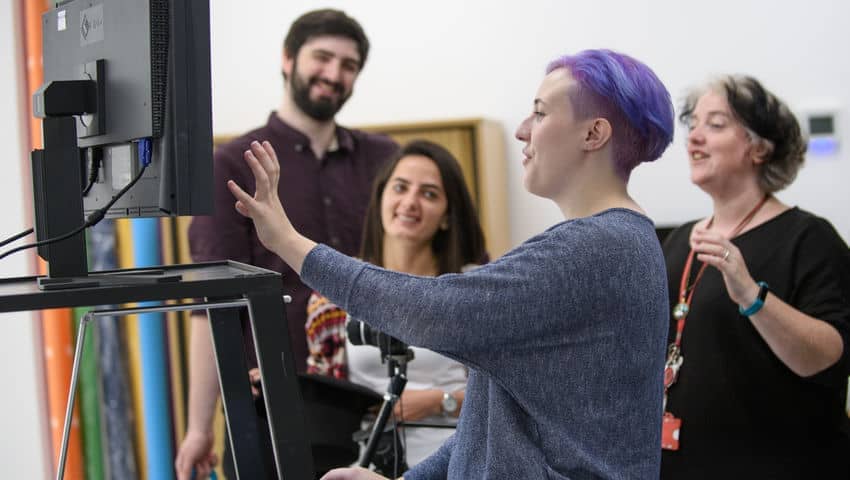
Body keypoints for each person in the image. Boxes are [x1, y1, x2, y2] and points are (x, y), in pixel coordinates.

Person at [228, 49, 675, 479]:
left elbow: (433, 311)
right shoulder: (610, 245)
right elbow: (493, 425)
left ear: (593, 134)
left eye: (540, 113)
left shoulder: (599, 248)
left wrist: (288, 243)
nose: (523, 130)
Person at [174, 9, 398, 480]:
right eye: (323, 58)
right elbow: (212, 306)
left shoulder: (387, 162)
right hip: (272, 408)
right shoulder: (234, 163)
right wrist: (199, 427)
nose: (334, 75)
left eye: (349, 65)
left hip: (378, 406)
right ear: (288, 59)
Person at [659, 75, 850, 478]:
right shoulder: (679, 241)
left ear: (760, 147)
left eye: (715, 124)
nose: (694, 138)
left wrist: (750, 294)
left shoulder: (809, 239)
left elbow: (829, 357)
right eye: (693, 125)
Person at [305, 140, 486, 470]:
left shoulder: (475, 289)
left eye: (429, 194)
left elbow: (509, 396)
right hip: (364, 462)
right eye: (400, 187)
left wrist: (438, 402)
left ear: (447, 217)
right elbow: (324, 395)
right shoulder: (332, 294)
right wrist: (276, 383)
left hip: (458, 463)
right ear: (381, 198)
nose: (410, 202)